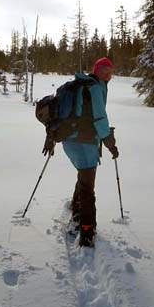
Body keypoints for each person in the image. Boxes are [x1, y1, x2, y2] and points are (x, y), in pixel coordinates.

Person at [42, 57, 119, 247]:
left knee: (84, 178)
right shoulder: (93, 88)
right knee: (87, 187)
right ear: (96, 70)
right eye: (104, 71)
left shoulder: (77, 86)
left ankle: (76, 217)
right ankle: (86, 231)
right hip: (84, 143)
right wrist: (110, 143)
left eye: (111, 72)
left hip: (69, 141)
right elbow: (100, 119)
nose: (108, 75)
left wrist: (52, 136)